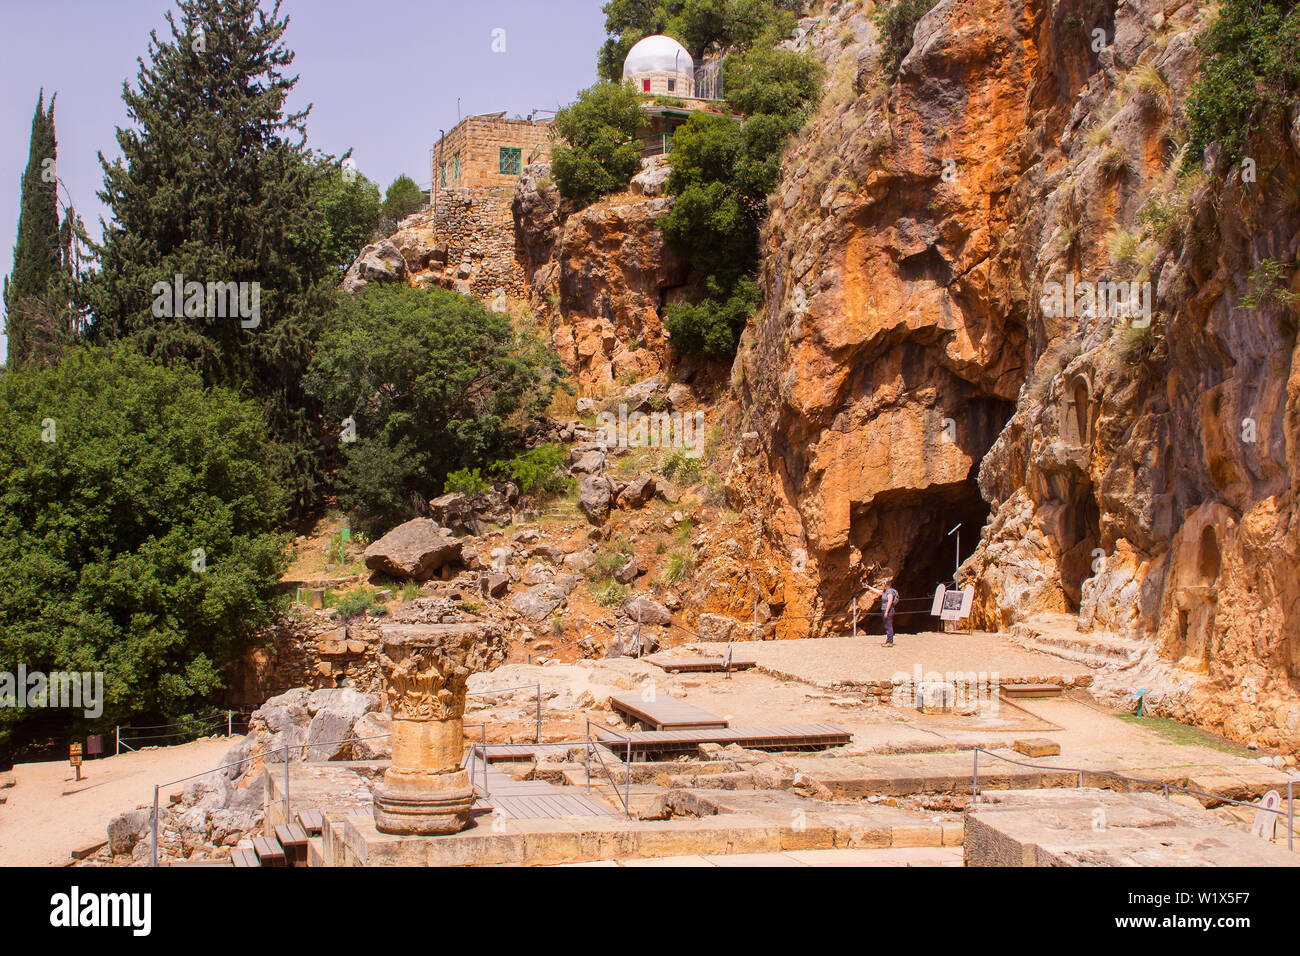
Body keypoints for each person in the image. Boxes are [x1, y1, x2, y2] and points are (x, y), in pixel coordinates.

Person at [861, 577, 900, 646]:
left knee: (889, 625)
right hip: (885, 610)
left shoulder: (890, 592)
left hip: (888, 610)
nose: (882, 585)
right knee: (886, 625)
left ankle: (890, 642)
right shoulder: (885, 591)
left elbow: (890, 602)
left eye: (882, 584)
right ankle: (888, 641)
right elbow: (878, 591)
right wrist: (868, 587)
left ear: (885, 584)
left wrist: (887, 612)